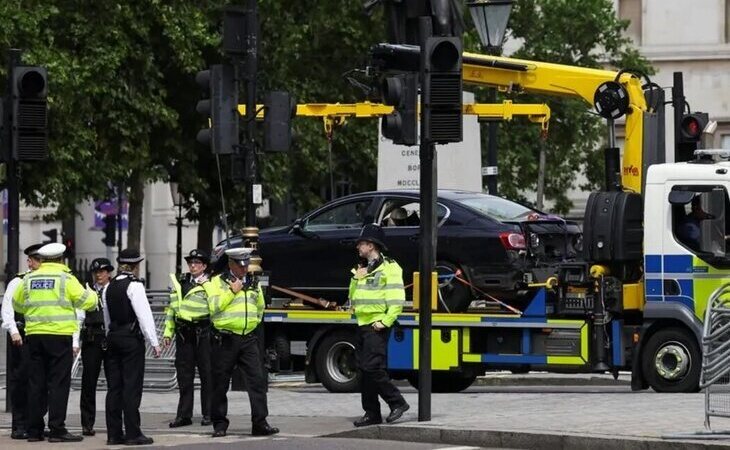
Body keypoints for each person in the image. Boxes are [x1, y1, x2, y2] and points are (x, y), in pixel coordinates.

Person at [12, 242, 98, 442]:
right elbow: (87, 302)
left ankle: (34, 431)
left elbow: (17, 303)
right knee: (58, 383)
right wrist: (93, 294)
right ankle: (57, 429)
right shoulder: (66, 278)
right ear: (61, 259)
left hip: (33, 336)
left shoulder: (29, 279)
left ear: (42, 260)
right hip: (59, 337)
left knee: (36, 383)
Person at [209, 247, 279, 437]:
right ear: (231, 264)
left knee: (257, 381)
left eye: (246, 264)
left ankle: (260, 422)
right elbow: (213, 307)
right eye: (241, 265)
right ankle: (219, 424)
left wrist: (252, 325)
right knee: (220, 383)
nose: (245, 269)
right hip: (226, 338)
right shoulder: (217, 282)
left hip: (248, 338)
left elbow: (260, 307)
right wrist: (232, 292)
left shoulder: (253, 282)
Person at [350, 224, 410, 427]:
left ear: (371, 245)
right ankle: (371, 413)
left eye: (361, 244)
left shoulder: (390, 268)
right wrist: (356, 277)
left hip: (377, 325)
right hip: (362, 323)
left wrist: (385, 322)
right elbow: (354, 295)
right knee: (363, 371)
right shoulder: (362, 268)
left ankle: (397, 403)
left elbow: (396, 298)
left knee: (372, 367)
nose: (358, 247)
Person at [103, 249, 161, 446]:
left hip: (113, 337)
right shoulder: (134, 286)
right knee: (131, 387)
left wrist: (109, 335)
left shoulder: (108, 287)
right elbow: (144, 316)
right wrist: (154, 341)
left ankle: (113, 433)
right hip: (130, 339)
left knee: (114, 388)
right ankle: (133, 433)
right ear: (136, 265)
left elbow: (107, 317)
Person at [163, 249, 214, 428]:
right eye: (191, 263)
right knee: (185, 376)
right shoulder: (180, 282)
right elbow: (172, 310)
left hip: (203, 332)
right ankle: (184, 415)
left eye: (197, 263)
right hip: (184, 333)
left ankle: (208, 414)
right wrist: (167, 333)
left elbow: (216, 307)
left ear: (204, 266)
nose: (193, 266)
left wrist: (207, 284)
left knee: (207, 375)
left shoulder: (211, 284)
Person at [1, 243, 43, 440]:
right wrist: (13, 331)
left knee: (40, 382)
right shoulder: (19, 281)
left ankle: (36, 423)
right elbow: (7, 307)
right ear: (29, 261)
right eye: (36, 259)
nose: (39, 263)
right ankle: (19, 425)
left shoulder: (46, 280)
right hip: (22, 336)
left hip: (41, 336)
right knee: (21, 381)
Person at [76, 257, 114, 436]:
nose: (99, 275)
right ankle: (87, 423)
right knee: (88, 382)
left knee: (115, 382)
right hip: (93, 337)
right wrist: (75, 342)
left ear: (109, 273)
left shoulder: (115, 289)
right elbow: (79, 317)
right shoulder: (87, 290)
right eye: (96, 272)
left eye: (103, 271)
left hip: (111, 337)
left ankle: (114, 422)